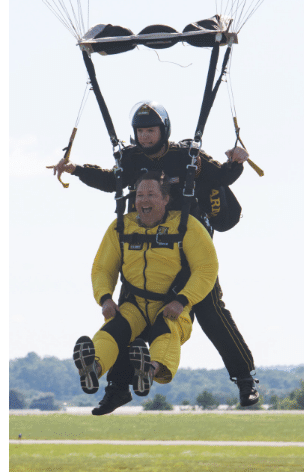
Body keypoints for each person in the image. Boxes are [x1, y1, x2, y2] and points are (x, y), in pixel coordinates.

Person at [53, 100, 259, 408]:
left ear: (163, 131)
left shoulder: (189, 157)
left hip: (186, 246)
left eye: (151, 131)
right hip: (147, 246)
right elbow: (111, 181)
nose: (146, 137)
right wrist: (76, 169)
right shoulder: (130, 159)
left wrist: (237, 162)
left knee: (211, 312)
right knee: (124, 317)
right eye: (140, 132)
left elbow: (219, 178)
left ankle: (245, 380)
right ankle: (118, 387)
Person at [74, 172, 219, 415]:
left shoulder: (186, 226)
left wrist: (183, 300)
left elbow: (207, 268)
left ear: (165, 199)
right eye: (139, 195)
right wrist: (105, 298)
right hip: (136, 303)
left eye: (151, 194)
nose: (144, 200)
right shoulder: (121, 227)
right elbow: (102, 267)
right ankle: (93, 368)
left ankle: (148, 371)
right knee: (114, 328)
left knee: (167, 330)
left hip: (172, 305)